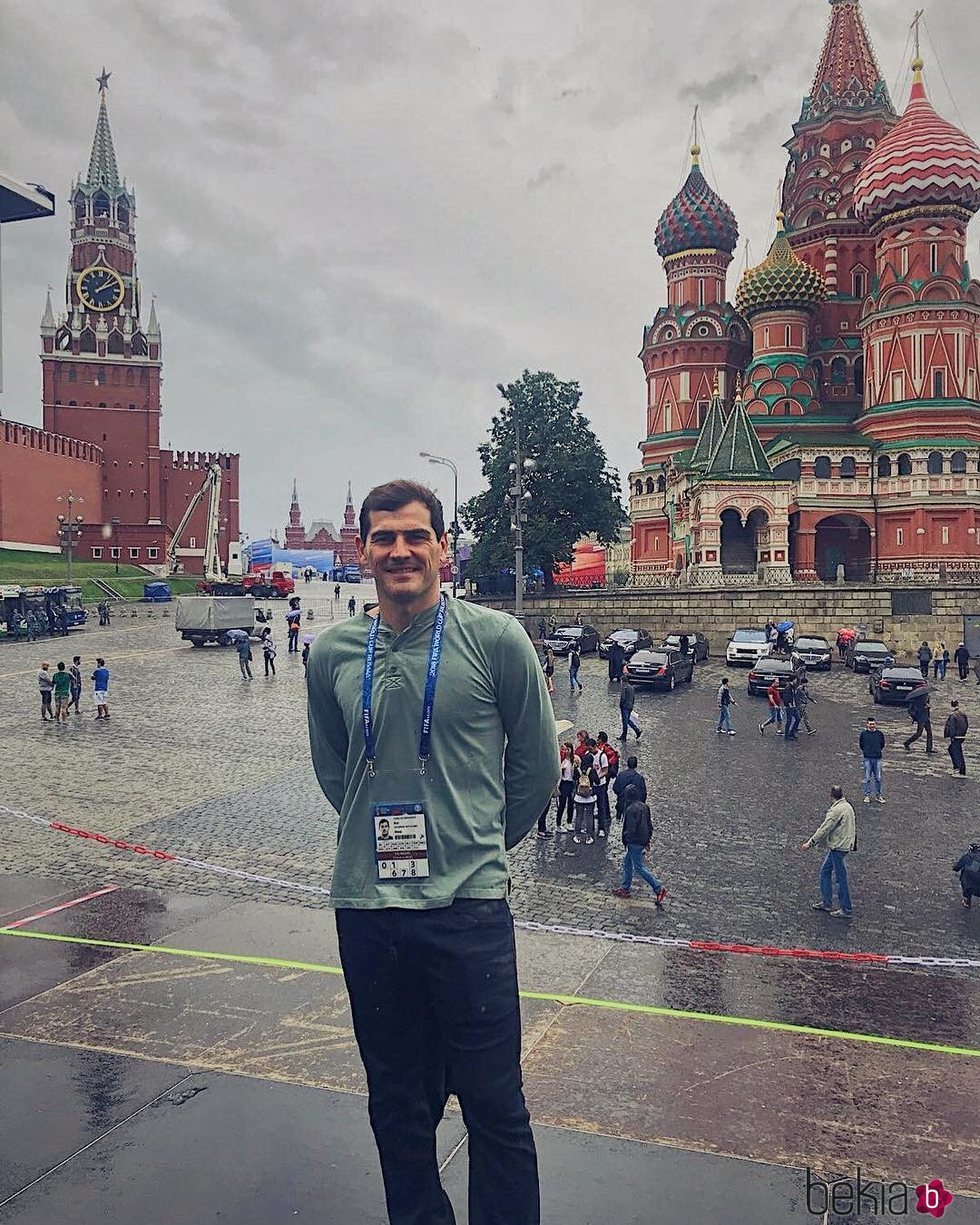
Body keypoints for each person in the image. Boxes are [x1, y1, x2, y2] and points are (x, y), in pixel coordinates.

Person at [306, 479, 557, 1225]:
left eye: (416, 535)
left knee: (494, 1105)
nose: (400, 550)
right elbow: (332, 768)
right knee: (396, 1105)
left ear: (444, 548)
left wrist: (476, 844)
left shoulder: (494, 640)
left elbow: (536, 767)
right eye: (384, 538)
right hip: (368, 910)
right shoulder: (333, 653)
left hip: (466, 912)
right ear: (364, 552)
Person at [802, 785, 856, 917]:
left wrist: (811, 842)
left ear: (831, 796)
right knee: (825, 871)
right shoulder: (847, 806)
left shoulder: (836, 811)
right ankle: (826, 902)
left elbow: (824, 828)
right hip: (844, 845)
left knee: (840, 878)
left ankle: (846, 908)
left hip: (838, 847)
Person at [613, 785, 667, 903]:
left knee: (639, 867)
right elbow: (649, 825)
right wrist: (647, 840)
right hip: (641, 840)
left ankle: (658, 888)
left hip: (634, 842)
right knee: (627, 862)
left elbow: (630, 829)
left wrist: (626, 840)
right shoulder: (644, 807)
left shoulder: (630, 810)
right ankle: (625, 887)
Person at [573, 753, 598, 844]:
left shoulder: (578, 770)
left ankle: (577, 836)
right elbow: (597, 781)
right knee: (589, 816)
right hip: (590, 797)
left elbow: (574, 778)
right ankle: (589, 836)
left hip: (579, 797)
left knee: (579, 816)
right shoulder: (591, 771)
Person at [859, 717, 885, 804]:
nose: (872, 726)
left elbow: (882, 744)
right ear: (867, 724)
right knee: (867, 778)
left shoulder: (880, 734)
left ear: (875, 724)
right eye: (870, 724)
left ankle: (878, 795)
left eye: (873, 724)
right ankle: (867, 795)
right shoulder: (863, 734)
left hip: (877, 758)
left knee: (878, 778)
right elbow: (861, 744)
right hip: (867, 758)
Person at [593, 732, 614, 837]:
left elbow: (611, 760)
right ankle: (605, 814)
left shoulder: (605, 748)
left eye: (598, 738)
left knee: (603, 795)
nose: (597, 739)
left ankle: (606, 814)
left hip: (604, 776)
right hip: (603, 776)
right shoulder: (601, 747)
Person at [903, 687, 934, 754]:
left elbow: (926, 704)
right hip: (921, 718)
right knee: (919, 733)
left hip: (926, 717)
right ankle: (907, 743)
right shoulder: (918, 700)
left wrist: (927, 706)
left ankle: (929, 748)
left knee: (929, 732)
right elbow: (918, 709)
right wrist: (925, 707)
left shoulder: (926, 696)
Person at [944, 700, 969, 777]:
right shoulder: (962, 714)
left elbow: (952, 727)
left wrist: (951, 736)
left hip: (956, 736)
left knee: (956, 752)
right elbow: (966, 724)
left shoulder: (953, 716)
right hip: (961, 735)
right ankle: (958, 768)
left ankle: (959, 769)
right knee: (953, 749)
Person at [555, 742, 576, 830]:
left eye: (568, 749)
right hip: (563, 783)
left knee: (571, 803)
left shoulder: (574, 759)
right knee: (562, 804)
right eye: (565, 749)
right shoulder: (562, 759)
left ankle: (569, 822)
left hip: (571, 783)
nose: (566, 751)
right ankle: (558, 824)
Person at [952, 842, 980, 909]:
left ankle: (966, 901)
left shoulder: (967, 856)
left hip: (968, 887)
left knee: (965, 876)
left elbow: (956, 868)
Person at [618, 669, 641, 741]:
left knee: (625, 721)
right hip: (630, 706)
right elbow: (633, 697)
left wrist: (621, 704)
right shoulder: (631, 687)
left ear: (623, 681)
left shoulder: (624, 687)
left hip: (625, 706)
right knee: (627, 720)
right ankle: (636, 730)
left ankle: (624, 736)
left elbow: (623, 697)